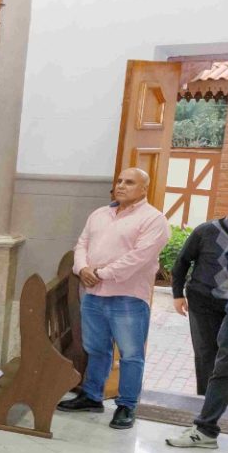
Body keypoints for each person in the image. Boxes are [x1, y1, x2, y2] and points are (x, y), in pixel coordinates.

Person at [55, 167, 170, 430]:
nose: (121, 185)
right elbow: (82, 244)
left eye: (129, 182)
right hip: (94, 295)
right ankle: (92, 396)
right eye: (119, 181)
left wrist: (101, 273)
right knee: (96, 349)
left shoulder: (154, 220)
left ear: (144, 188)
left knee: (131, 354)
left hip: (128, 298)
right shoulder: (99, 214)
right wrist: (82, 269)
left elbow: (139, 257)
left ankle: (126, 405)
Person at [170, 200, 228, 397]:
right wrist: (177, 295)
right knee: (206, 352)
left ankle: (219, 399)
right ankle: (205, 400)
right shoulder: (206, 231)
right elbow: (182, 262)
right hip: (203, 302)